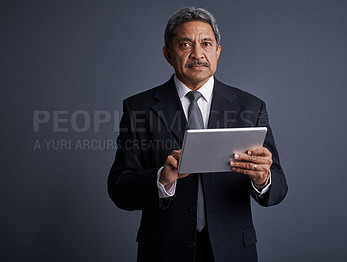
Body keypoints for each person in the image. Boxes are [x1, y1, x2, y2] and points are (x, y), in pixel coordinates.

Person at [108, 6, 287, 262]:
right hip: (163, 252)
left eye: (206, 43)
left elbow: (279, 187)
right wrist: (162, 179)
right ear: (168, 54)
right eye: (185, 44)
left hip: (234, 251)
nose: (197, 54)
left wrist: (263, 179)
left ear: (218, 51)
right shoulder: (139, 108)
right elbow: (119, 188)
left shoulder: (250, 107)